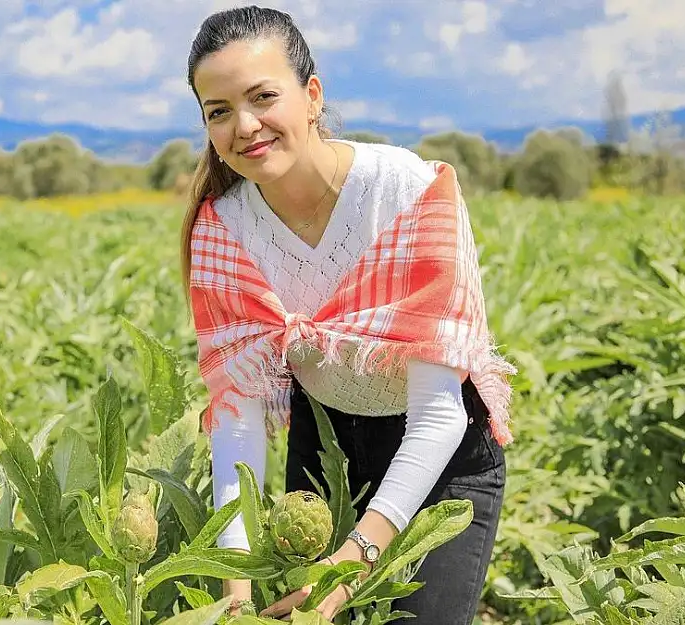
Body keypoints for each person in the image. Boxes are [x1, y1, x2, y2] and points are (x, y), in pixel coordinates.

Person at [178, 6, 515, 624]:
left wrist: (356, 555)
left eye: (262, 97)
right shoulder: (224, 229)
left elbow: (439, 413)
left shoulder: (408, 192)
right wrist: (236, 585)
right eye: (218, 111)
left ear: (312, 97)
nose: (244, 125)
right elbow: (237, 417)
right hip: (323, 439)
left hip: (440, 460)